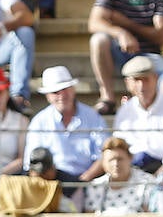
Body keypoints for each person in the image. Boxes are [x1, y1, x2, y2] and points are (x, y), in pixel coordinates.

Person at [24, 63, 106, 197]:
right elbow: (32, 162)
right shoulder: (39, 122)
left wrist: (83, 181)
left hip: (89, 181)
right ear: (48, 96)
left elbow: (104, 155)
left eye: (65, 89)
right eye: (55, 92)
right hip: (51, 183)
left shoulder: (92, 117)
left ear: (73, 89)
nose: (61, 95)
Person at [112, 53, 163, 174]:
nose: (141, 86)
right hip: (132, 173)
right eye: (136, 80)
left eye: (146, 79)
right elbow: (119, 147)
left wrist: (159, 176)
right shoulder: (124, 112)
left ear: (156, 79)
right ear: (127, 83)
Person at [83, 135, 153, 214]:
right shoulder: (95, 186)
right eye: (111, 160)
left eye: (120, 159)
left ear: (130, 158)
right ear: (103, 162)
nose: (116, 164)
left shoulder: (147, 182)